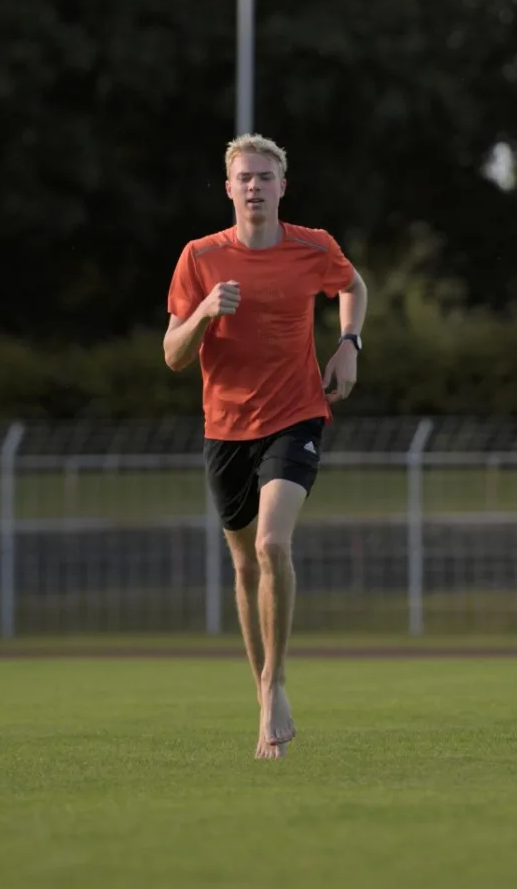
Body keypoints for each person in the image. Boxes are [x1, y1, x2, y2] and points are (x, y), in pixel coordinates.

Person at [163, 133, 368, 760]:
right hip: (225, 428)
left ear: (283, 186)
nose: (254, 186)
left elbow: (353, 285)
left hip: (296, 415)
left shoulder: (313, 246)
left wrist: (349, 343)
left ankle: (275, 683)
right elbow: (173, 356)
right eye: (243, 177)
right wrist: (202, 314)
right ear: (228, 188)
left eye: (264, 177)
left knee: (273, 542)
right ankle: (261, 689)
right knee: (245, 566)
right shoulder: (199, 258)